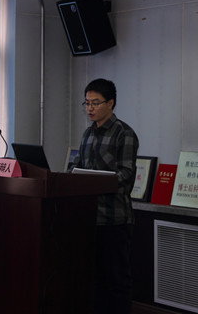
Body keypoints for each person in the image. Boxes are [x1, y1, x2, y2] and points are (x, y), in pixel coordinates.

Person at [71, 78, 139, 314]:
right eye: (87, 103)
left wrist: (94, 181)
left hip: (114, 219)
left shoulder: (124, 133)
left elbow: (126, 175)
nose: (90, 108)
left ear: (110, 103)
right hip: (89, 218)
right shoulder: (87, 134)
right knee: (94, 278)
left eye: (95, 103)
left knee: (116, 279)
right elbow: (77, 166)